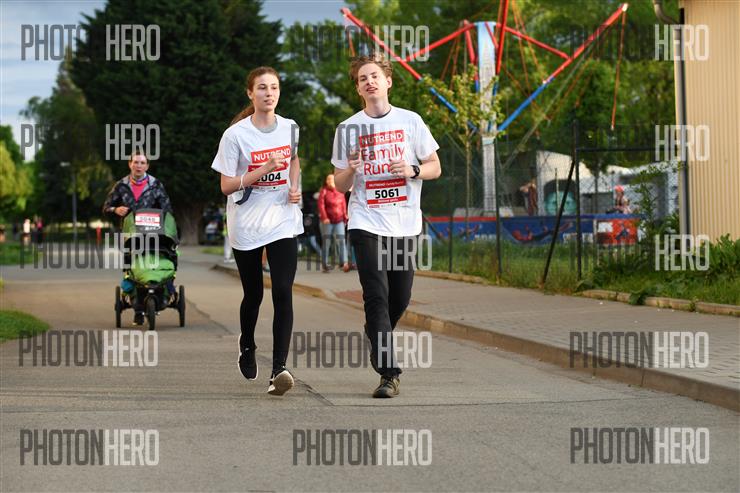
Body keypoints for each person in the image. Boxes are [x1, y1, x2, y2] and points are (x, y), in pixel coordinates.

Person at [331, 53, 441, 398]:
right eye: (362, 78)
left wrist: (413, 170)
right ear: (358, 88)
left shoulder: (411, 121)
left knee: (400, 298)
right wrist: (352, 169)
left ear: (388, 82)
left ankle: (376, 332)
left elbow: (435, 166)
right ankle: (388, 373)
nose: (369, 82)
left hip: (404, 223)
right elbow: (339, 183)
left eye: (375, 76)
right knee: (376, 295)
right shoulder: (347, 128)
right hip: (365, 220)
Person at [211, 66, 303, 396]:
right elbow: (226, 186)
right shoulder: (235, 135)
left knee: (283, 291)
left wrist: (295, 187)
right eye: (262, 87)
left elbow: (294, 161)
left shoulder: (290, 127)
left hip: (283, 220)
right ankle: (247, 345)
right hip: (247, 222)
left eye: (274, 87)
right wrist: (263, 169)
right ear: (250, 93)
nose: (269, 93)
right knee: (254, 294)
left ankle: (279, 369)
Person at [102, 150, 174, 325]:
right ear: (130, 164)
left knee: (157, 262)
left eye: (142, 163)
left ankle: (164, 291)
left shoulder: (155, 185)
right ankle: (137, 307)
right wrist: (115, 209)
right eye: (136, 162)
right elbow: (106, 208)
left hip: (154, 234)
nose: (139, 166)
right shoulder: (121, 186)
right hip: (130, 235)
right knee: (132, 268)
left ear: (147, 166)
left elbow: (167, 210)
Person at [317, 173, 349, 272]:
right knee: (327, 242)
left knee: (341, 241)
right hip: (328, 221)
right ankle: (325, 264)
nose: (329, 181)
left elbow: (343, 205)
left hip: (339, 220)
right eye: (328, 179)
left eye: (331, 179)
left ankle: (344, 263)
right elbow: (321, 205)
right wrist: (325, 217)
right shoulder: (324, 191)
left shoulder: (340, 191)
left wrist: (345, 216)